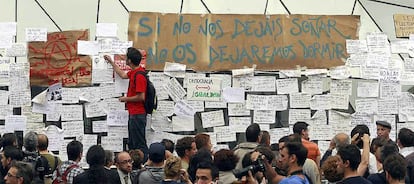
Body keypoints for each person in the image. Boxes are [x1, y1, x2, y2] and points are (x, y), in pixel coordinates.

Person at [104, 47, 148, 161]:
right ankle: (135, 164)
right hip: (134, 114)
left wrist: (126, 99)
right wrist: (111, 62)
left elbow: (141, 97)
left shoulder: (139, 75)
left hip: (138, 114)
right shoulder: (134, 72)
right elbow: (122, 75)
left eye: (126, 57)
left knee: (139, 143)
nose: (125, 59)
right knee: (133, 143)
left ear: (130, 60)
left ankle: (143, 164)